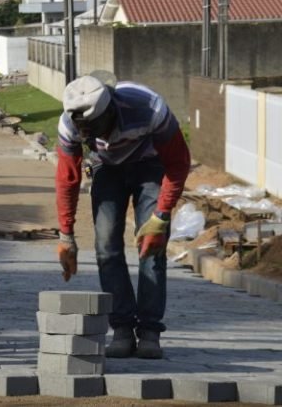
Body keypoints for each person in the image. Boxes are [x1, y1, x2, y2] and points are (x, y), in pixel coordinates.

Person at [54, 73, 191, 359]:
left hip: (150, 164)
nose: (90, 136)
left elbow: (178, 163)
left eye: (94, 129)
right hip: (107, 168)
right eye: (84, 132)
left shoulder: (150, 109)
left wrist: (161, 216)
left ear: (110, 112)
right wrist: (66, 235)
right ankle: (122, 329)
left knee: (151, 247)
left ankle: (150, 331)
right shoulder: (69, 124)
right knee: (106, 247)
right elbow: (68, 178)